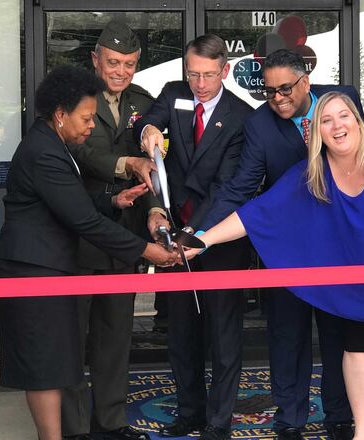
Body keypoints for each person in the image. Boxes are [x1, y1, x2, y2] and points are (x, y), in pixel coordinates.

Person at [186, 92, 364, 440]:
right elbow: (259, 214)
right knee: (358, 351)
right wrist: (204, 239)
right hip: (358, 286)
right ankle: (363, 432)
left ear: (358, 120)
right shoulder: (312, 172)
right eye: (326, 121)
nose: (337, 126)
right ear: (315, 132)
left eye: (343, 116)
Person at [0, 65, 179, 440]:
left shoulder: (54, 143)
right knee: (45, 367)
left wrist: (114, 199)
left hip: (45, 268)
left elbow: (71, 202)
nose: (91, 126)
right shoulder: (45, 152)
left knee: (54, 363)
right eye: (86, 118)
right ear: (61, 114)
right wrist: (146, 251)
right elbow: (84, 223)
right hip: (33, 271)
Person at [198, 49, 358, 440]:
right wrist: (198, 232)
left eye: (285, 88)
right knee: (287, 335)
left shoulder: (342, 102)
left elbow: (362, 161)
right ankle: (290, 420)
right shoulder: (260, 123)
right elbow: (241, 185)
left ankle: (339, 415)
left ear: (305, 82)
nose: (277, 98)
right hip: (285, 249)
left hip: (340, 247)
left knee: (339, 335)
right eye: (269, 91)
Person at [134, 34, 253, 440]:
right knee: (181, 332)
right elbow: (150, 120)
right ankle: (188, 413)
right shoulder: (173, 94)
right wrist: (149, 130)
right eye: (192, 74)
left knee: (222, 336)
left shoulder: (242, 116)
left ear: (225, 70)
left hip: (217, 236)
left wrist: (192, 235)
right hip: (173, 234)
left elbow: (227, 188)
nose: (199, 84)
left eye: (207, 75)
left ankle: (218, 423)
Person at [59, 21, 157, 440]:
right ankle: (74, 427)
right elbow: (81, 150)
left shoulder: (145, 102)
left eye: (129, 64)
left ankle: (112, 421)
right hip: (77, 235)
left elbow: (155, 165)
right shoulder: (74, 98)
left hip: (123, 235)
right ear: (95, 58)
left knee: (116, 334)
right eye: (113, 62)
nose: (121, 71)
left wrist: (156, 211)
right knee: (71, 335)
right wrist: (126, 164)